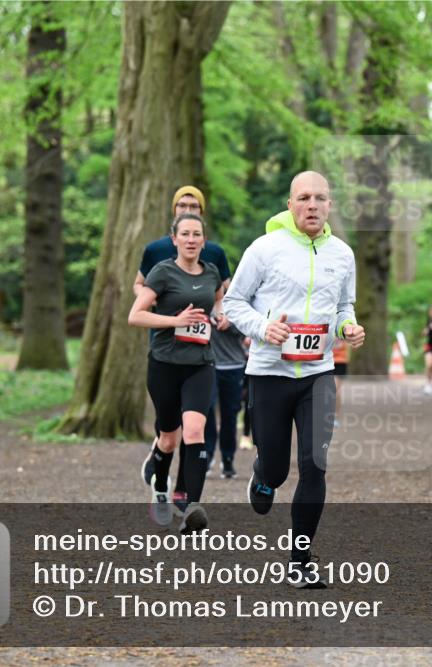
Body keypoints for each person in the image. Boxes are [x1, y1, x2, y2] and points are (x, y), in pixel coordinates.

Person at [223, 171, 365, 589]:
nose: (312, 205)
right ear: (290, 205)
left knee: (314, 466)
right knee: (277, 470)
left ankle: (300, 561)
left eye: (320, 198)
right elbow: (233, 302)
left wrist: (347, 328)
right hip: (269, 373)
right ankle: (263, 475)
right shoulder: (264, 249)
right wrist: (264, 327)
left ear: (330, 205)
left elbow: (344, 306)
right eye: (304, 198)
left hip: (318, 374)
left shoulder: (343, 254)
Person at [135, 186, 231, 512]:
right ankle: (161, 485)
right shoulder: (162, 271)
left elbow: (218, 300)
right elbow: (135, 315)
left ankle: (191, 506)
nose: (191, 240)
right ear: (174, 239)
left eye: (197, 235)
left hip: (200, 362)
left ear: (204, 240)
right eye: (185, 234)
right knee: (169, 438)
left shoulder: (213, 271)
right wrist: (175, 321)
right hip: (164, 363)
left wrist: (220, 317)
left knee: (195, 430)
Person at [207, 320, 248, 479]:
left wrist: (230, 324)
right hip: (208, 364)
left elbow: (249, 327)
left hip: (234, 365)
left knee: (230, 415)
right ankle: (207, 454)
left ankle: (227, 458)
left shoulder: (237, 304)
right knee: (206, 409)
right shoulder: (205, 303)